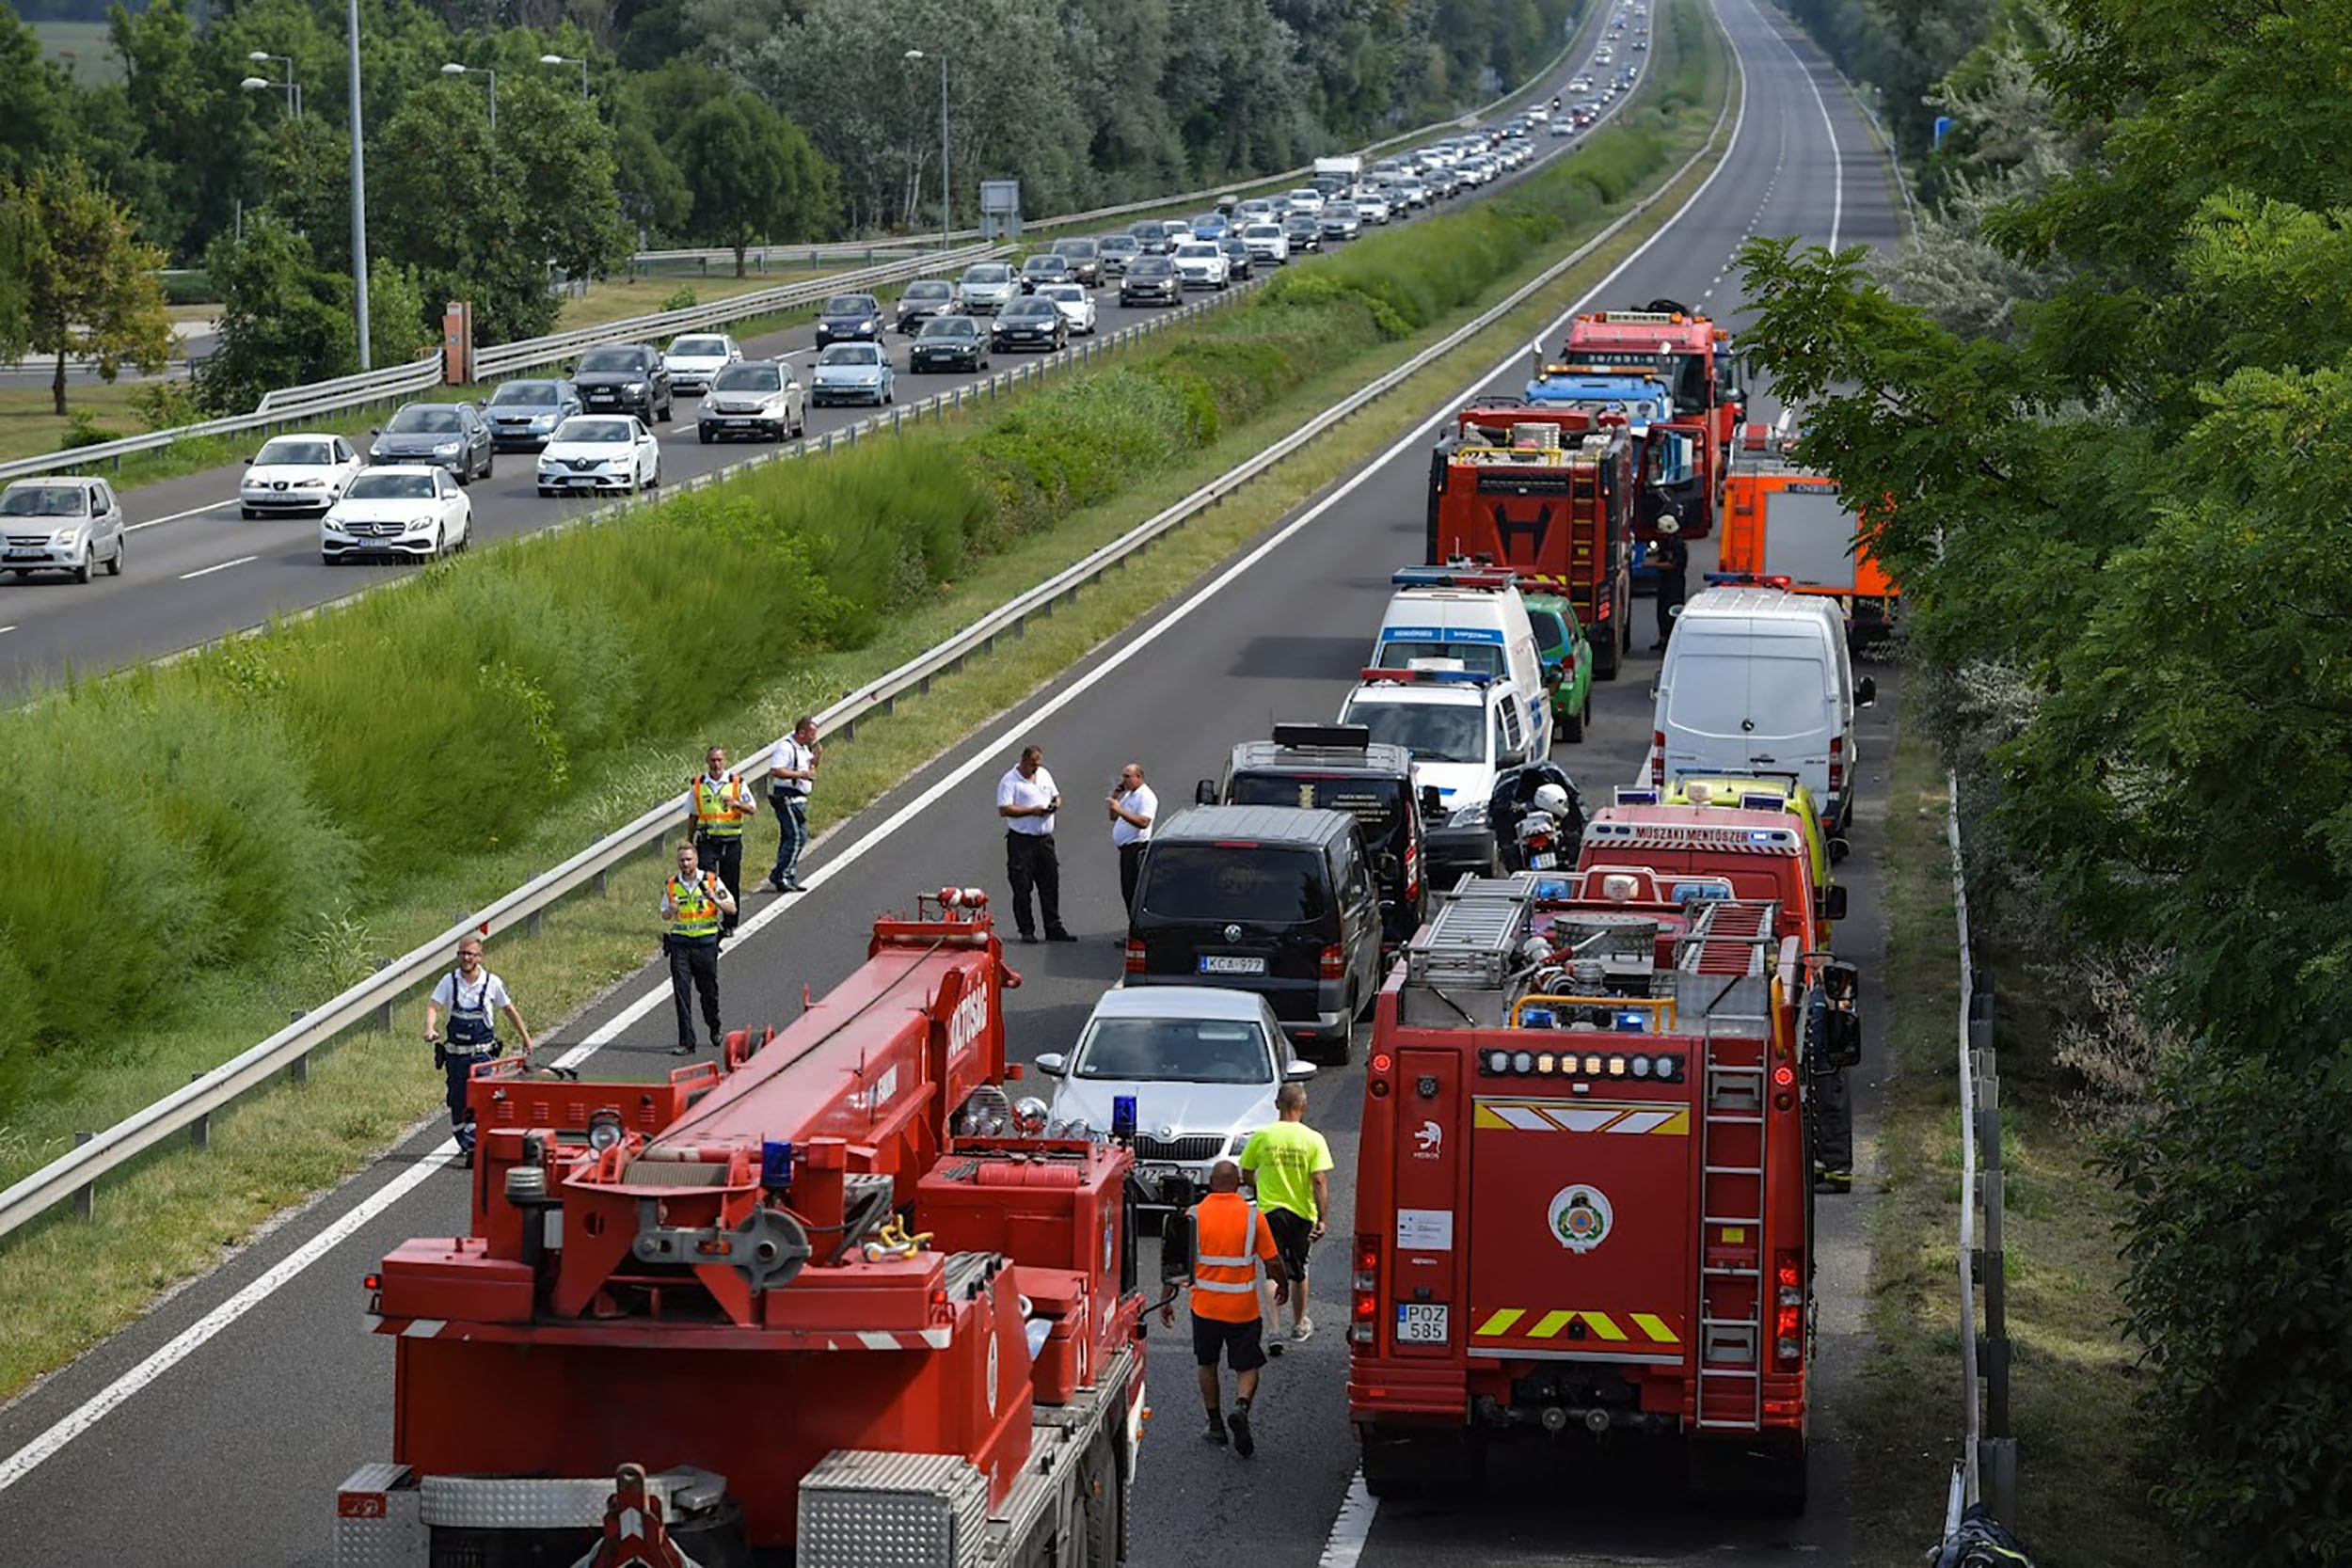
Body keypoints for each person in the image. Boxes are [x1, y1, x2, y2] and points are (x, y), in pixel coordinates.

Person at [1159, 1161, 1287, 1458]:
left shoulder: (1193, 1215)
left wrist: (1167, 1299)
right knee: (1247, 1364)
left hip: (1204, 1306)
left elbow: (1177, 1264)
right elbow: (1272, 1261)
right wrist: (1282, 1284)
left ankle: (1215, 1424)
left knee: (1207, 1363)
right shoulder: (1253, 1216)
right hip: (1242, 1306)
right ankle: (1241, 1407)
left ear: (1212, 1183)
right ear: (1238, 1184)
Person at [1238, 1082, 1333, 1347]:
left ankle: (1274, 1330)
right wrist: (1323, 1218)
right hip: (1302, 1213)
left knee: (1272, 1270)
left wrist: (1258, 1187)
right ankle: (1299, 1323)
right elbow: (1319, 1180)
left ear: (1277, 1105)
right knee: (1299, 1271)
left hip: (1269, 1212)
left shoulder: (1263, 1136)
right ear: (1303, 1106)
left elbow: (1245, 1172)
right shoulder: (1313, 1139)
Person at [422, 938, 533, 1163]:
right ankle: (465, 1141)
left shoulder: (492, 982)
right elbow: (434, 1006)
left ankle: (476, 1143)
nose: (466, 958)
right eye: (463, 953)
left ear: (479, 957)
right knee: (457, 1101)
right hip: (455, 1057)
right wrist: (429, 1028)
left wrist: (526, 1037)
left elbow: (509, 1010)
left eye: (471, 954)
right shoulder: (449, 981)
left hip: (482, 1056)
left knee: (483, 1100)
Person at [660, 840, 735, 1056]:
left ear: (696, 860)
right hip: (680, 944)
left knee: (708, 992)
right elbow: (664, 915)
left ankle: (714, 1026)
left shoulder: (711, 881)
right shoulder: (672, 885)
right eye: (682, 860)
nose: (685, 864)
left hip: (705, 944)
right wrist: (671, 911)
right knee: (681, 993)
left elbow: (732, 908)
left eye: (689, 859)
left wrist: (716, 901)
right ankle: (686, 1042)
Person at [995, 744, 1073, 943]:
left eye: (1038, 764)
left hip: (1044, 840)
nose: (1036, 768)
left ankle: (1053, 927)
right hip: (1022, 841)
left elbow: (1057, 795)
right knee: (1022, 885)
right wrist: (1031, 811)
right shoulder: (1009, 781)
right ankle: (1026, 929)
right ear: (1024, 761)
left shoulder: (1044, 775)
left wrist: (1055, 804)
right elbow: (1004, 809)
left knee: (1050, 883)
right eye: (1032, 764)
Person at [688, 745, 756, 936]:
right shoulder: (698, 785)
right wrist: (689, 842)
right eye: (713, 760)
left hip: (732, 840)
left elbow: (752, 808)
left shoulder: (736, 782)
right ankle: (709, 920)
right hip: (708, 840)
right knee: (707, 882)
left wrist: (737, 804)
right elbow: (692, 815)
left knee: (730, 882)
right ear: (707, 761)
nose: (716, 764)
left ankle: (729, 922)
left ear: (724, 760)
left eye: (719, 760)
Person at [765, 716, 820, 895]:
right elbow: (776, 770)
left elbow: (809, 769)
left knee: (794, 837)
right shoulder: (786, 747)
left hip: (800, 799)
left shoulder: (804, 748)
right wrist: (801, 775)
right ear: (802, 732)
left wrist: (815, 760)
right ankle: (781, 874)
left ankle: (789, 876)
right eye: (812, 733)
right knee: (796, 837)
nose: (814, 737)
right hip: (787, 798)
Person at [1106, 762, 1156, 925]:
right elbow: (1113, 817)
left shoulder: (1146, 796)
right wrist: (1115, 797)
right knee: (1127, 891)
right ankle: (1132, 927)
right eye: (1123, 776)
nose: (1124, 780)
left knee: (1134, 891)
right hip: (1125, 850)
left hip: (1137, 848)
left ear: (1139, 777)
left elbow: (1144, 822)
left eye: (1127, 777)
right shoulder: (1129, 795)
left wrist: (1120, 810)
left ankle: (1137, 930)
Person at [1650, 526, 1690, 652]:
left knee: (1672, 611)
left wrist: (1652, 565)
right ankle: (1663, 639)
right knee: (1661, 610)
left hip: (1675, 583)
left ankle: (1673, 640)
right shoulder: (1665, 543)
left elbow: (1673, 564)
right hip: (1664, 581)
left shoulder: (1678, 545)